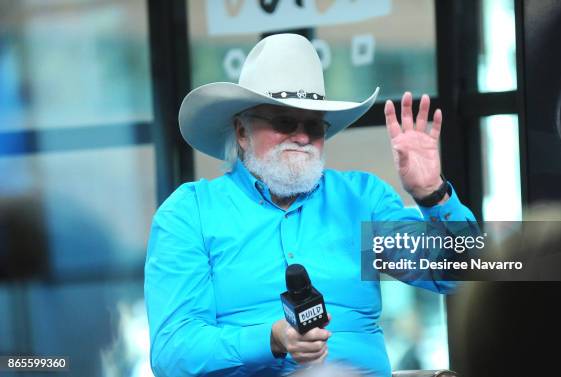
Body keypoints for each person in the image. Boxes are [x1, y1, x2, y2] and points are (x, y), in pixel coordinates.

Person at [144, 33, 476, 377]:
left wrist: (432, 194)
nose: (302, 137)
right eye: (284, 122)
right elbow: (173, 352)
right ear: (242, 131)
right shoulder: (190, 212)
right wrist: (270, 340)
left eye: (314, 125)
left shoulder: (361, 198)